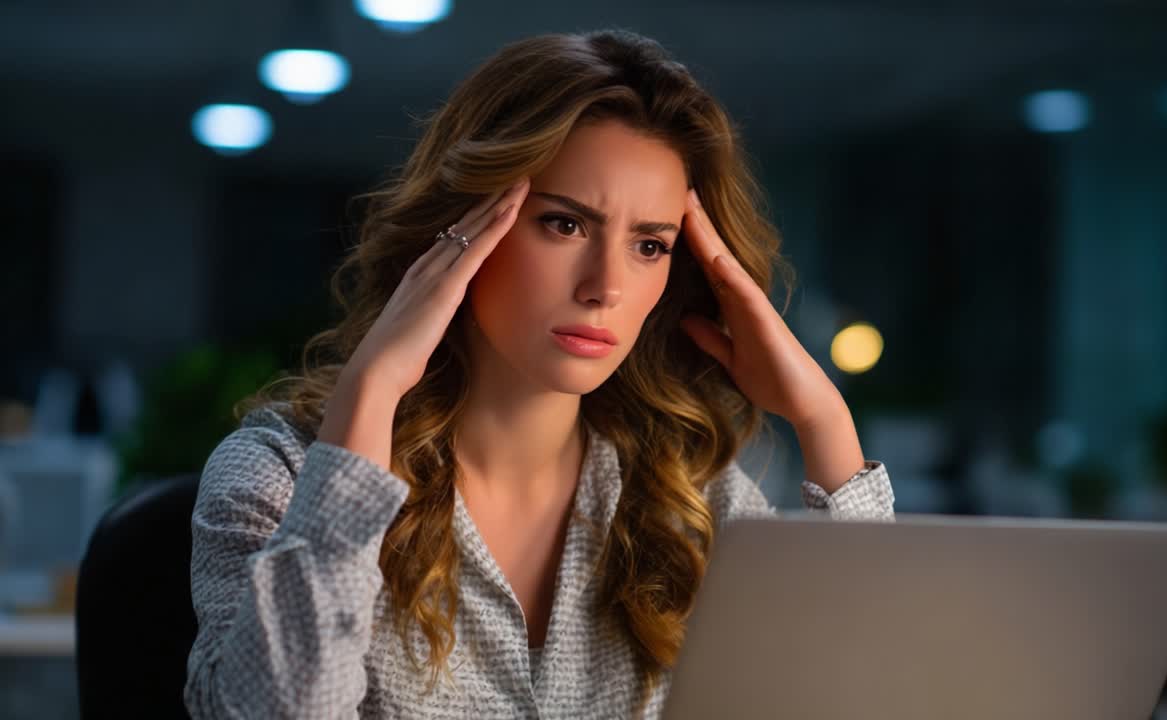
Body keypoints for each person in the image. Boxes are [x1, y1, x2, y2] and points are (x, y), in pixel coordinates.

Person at [183, 29, 895, 719]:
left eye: (650, 245)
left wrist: (823, 420)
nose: (606, 286)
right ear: (465, 224)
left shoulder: (690, 496)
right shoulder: (276, 474)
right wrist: (369, 392)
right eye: (565, 225)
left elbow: (869, 688)